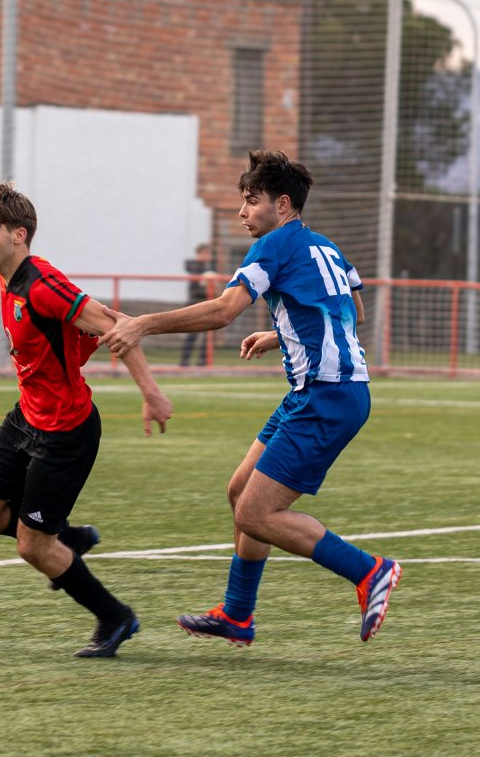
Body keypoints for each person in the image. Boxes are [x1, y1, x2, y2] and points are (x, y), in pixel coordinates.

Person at [100, 150, 401, 645]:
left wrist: (143, 324)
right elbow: (354, 312)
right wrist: (282, 335)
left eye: (250, 201)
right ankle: (237, 615)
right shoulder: (326, 248)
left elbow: (223, 311)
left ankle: (371, 572)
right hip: (323, 392)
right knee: (240, 492)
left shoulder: (273, 246)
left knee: (256, 514)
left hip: (327, 397)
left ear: (282, 205)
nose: (243, 212)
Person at [0, 182, 174, 658]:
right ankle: (70, 538)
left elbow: (119, 325)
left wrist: (151, 394)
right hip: (27, 417)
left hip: (64, 432)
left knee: (33, 547)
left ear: (19, 235)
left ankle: (115, 617)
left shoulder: (43, 285)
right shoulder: (6, 275)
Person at [179, 243, 215, 367]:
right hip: (194, 303)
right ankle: (184, 361)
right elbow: (189, 266)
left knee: (208, 335)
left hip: (207, 304)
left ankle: (203, 361)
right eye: (203, 253)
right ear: (198, 254)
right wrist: (205, 274)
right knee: (192, 334)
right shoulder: (194, 265)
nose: (206, 256)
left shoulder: (211, 267)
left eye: (208, 253)